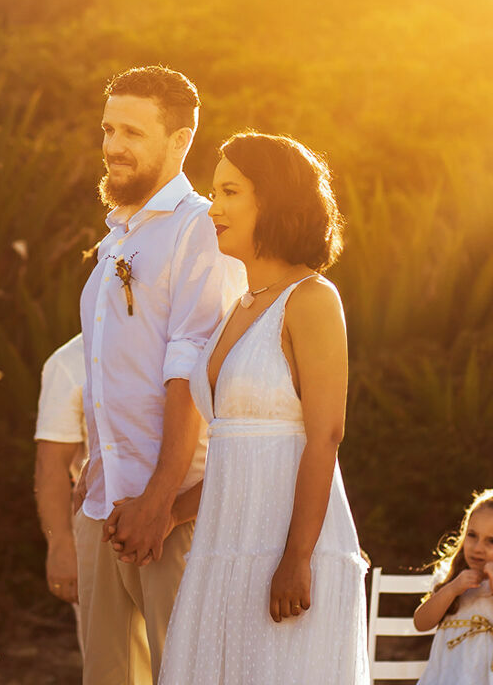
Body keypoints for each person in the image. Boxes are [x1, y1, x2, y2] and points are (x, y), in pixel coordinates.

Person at [158, 131, 369, 685]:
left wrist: (297, 557)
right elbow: (238, 450)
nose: (213, 207)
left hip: (288, 551)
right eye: (212, 192)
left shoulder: (313, 300)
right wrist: (167, 511)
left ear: (271, 201)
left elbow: (324, 436)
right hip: (221, 548)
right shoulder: (239, 307)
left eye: (229, 191)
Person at [74, 66, 244, 685]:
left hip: (168, 512)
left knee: (186, 676)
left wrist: (162, 500)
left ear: (180, 141)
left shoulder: (201, 228)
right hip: (103, 505)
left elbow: (192, 366)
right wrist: (93, 470)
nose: (114, 145)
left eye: (133, 133)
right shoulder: (116, 237)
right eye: (108, 128)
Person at [412, 489, 493, 685]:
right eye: (472, 535)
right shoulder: (453, 577)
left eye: (492, 541)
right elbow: (421, 622)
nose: (478, 547)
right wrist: (452, 589)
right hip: (450, 676)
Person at [33, 332, 100, 655]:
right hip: (99, 538)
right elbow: (51, 464)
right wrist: (60, 544)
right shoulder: (69, 361)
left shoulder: (180, 335)